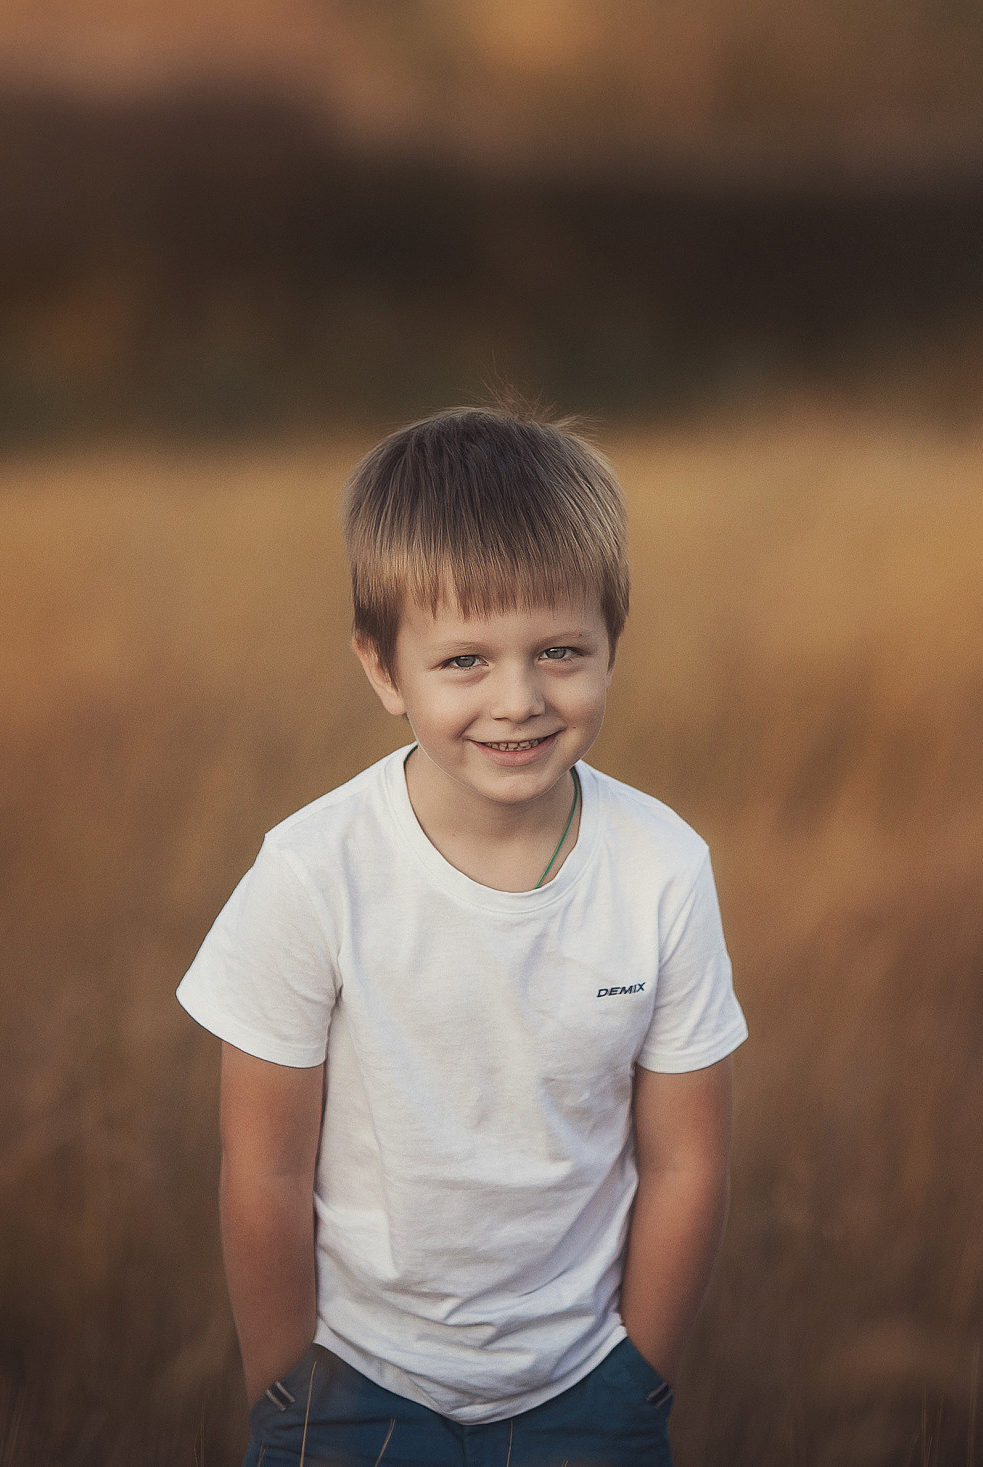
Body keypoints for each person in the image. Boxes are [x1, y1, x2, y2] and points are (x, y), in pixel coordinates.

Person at [177, 401, 747, 1466]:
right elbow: (261, 1167)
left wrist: (639, 1379)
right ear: (384, 669)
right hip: (356, 1389)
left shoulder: (663, 869)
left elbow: (688, 1161)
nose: (519, 699)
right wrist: (286, 1400)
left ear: (613, 644)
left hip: (587, 1389)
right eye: (463, 662)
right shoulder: (311, 874)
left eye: (561, 650)